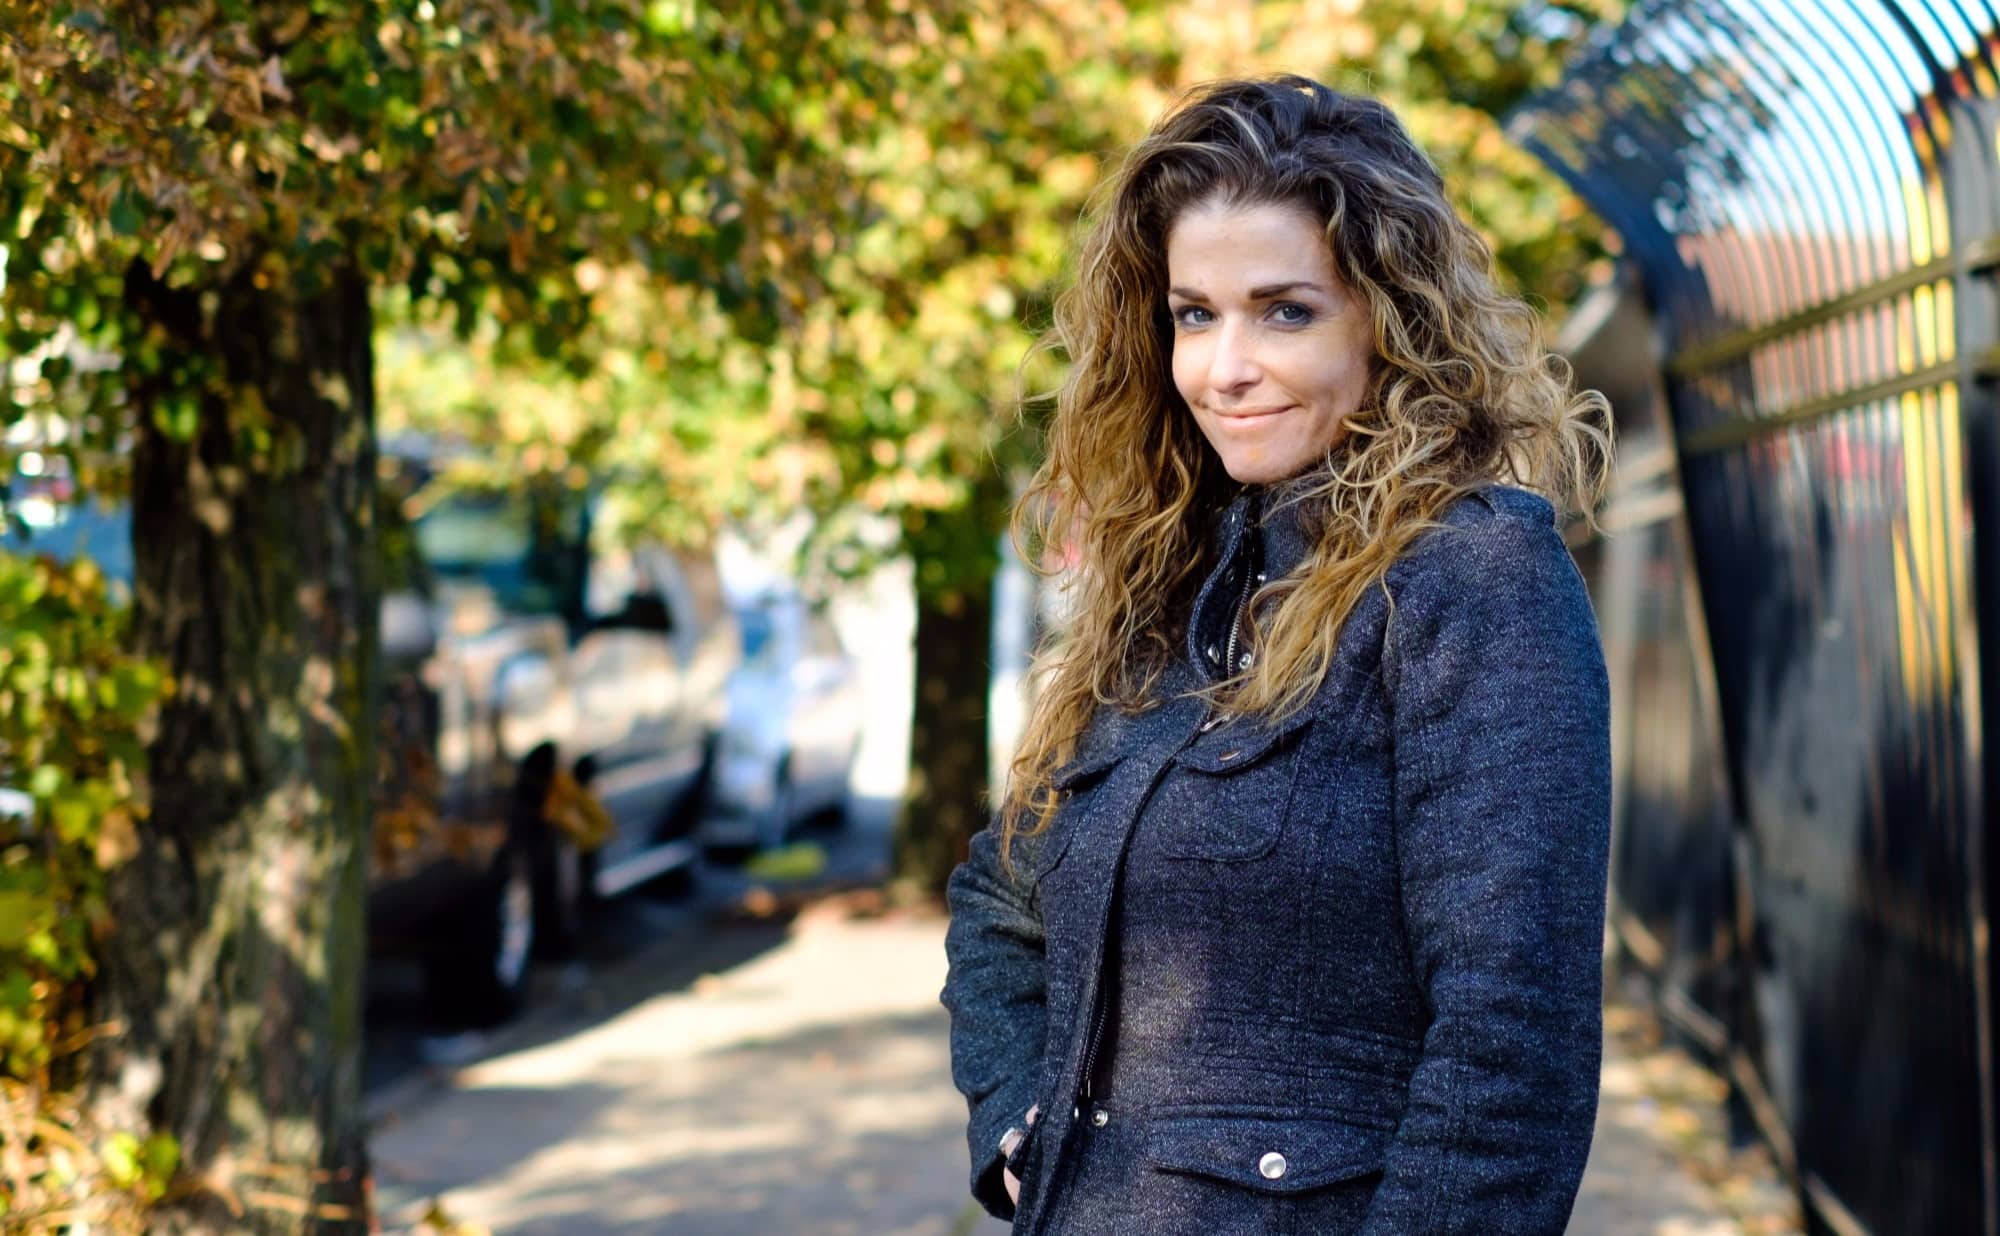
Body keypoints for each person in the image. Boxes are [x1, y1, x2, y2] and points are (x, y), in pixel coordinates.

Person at [941, 75, 1614, 1236]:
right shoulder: (1169, 588)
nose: (1223, 367)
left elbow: (1511, 1052)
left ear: (1387, 316)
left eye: (1284, 311)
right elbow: (1000, 892)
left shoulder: (1472, 580)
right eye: (1193, 314)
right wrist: (1013, 1116)